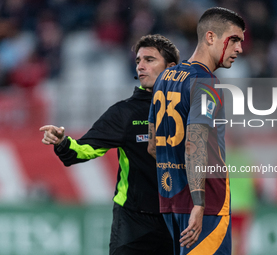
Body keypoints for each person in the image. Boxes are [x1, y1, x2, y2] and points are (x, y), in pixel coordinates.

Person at [39, 34, 180, 255]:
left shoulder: (189, 110)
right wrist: (63, 142)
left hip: (178, 218)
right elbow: (83, 151)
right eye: (138, 61)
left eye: (149, 60)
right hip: (134, 221)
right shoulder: (124, 113)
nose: (141, 66)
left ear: (171, 68)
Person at [148, 7, 245, 255]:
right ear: (210, 37)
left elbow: (152, 145)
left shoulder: (165, 77)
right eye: (233, 40)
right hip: (206, 204)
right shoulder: (207, 82)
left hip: (171, 202)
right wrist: (199, 202)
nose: (239, 49)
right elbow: (194, 143)